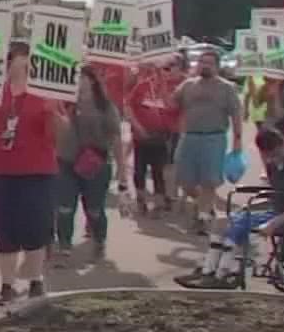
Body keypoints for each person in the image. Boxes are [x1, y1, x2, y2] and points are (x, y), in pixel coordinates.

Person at [0, 42, 65, 306]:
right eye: (9, 59)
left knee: (35, 226)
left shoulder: (45, 94)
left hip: (37, 170)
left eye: (17, 58)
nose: (11, 63)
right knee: (3, 228)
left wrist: (53, 113)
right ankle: (7, 285)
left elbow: (60, 136)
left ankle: (36, 280)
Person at [176, 129, 284, 289]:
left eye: (274, 154)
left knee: (238, 225)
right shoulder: (274, 165)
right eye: (268, 155)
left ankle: (222, 274)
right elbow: (273, 196)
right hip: (276, 212)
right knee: (222, 222)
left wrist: (273, 224)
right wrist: (247, 207)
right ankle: (208, 270)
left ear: (283, 144)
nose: (271, 159)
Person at [54, 67, 128, 262]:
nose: (77, 80)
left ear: (92, 81)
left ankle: (99, 240)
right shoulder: (62, 104)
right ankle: (64, 246)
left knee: (94, 209)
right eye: (75, 76)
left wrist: (122, 170)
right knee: (64, 207)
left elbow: (116, 138)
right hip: (66, 162)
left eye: (82, 77)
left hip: (96, 164)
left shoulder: (105, 106)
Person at [173, 50, 245, 233]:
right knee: (184, 180)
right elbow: (171, 103)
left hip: (214, 138)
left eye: (209, 63)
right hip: (189, 137)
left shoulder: (227, 88)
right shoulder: (188, 85)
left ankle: (203, 218)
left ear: (217, 66)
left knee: (209, 181)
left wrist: (237, 140)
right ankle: (204, 205)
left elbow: (236, 115)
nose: (205, 65)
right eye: (202, 62)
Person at [127, 55, 186, 217]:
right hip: (141, 136)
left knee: (159, 170)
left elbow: (176, 109)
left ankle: (160, 203)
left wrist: (164, 92)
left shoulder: (177, 88)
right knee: (139, 170)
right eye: (161, 69)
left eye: (167, 69)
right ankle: (141, 201)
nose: (163, 73)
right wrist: (137, 126)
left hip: (164, 136)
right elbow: (129, 106)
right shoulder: (143, 86)